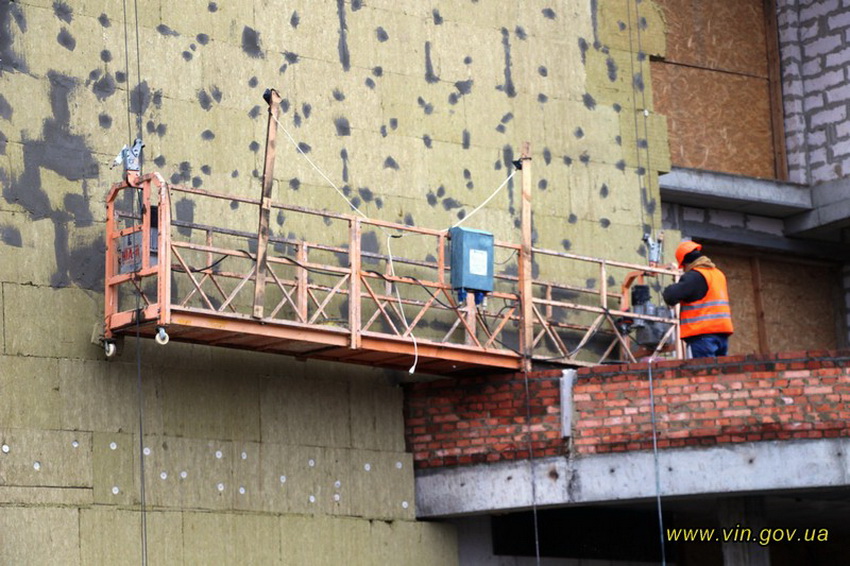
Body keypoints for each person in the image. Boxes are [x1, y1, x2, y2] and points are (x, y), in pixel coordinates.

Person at [662, 241, 734, 358]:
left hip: (703, 336)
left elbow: (671, 296)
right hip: (722, 335)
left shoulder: (695, 276)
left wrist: (669, 288)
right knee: (720, 373)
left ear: (685, 262)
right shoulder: (718, 274)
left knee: (704, 373)